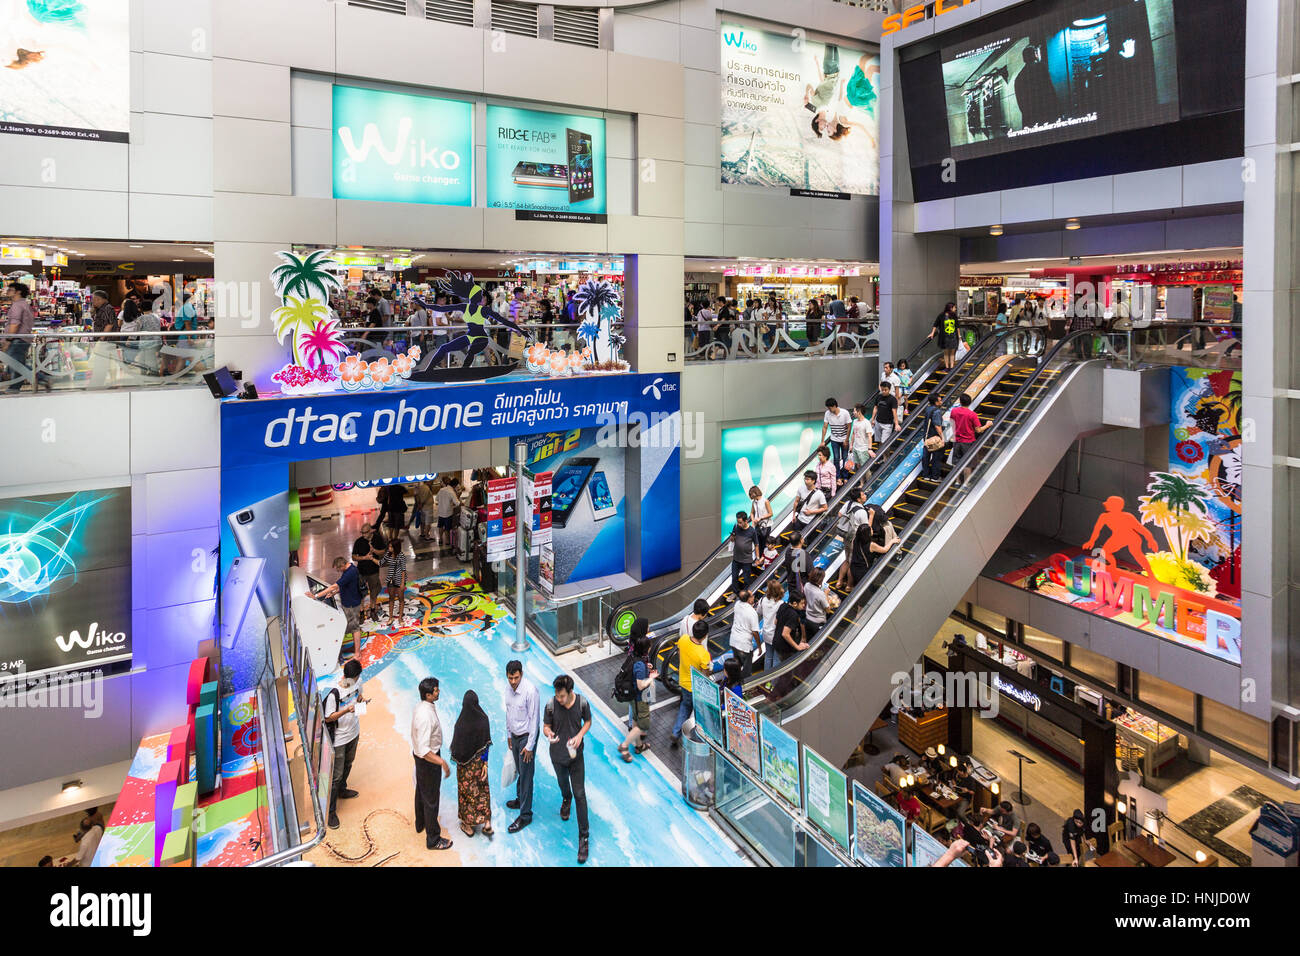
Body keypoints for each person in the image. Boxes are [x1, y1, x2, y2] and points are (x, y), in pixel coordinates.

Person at [543, 674, 593, 863]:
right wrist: (549, 734)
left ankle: (584, 837)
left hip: (576, 758)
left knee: (580, 794)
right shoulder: (550, 705)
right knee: (564, 786)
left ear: (570, 692)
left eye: (562, 696)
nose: (559, 699)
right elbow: (546, 726)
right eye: (557, 695)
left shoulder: (582, 703)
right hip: (557, 756)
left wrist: (580, 735)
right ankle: (566, 798)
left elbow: (587, 722)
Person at [322, 659, 365, 829]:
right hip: (339, 738)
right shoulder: (335, 693)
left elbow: (359, 695)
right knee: (336, 774)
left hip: (353, 731)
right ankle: (331, 811)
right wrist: (347, 710)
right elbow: (328, 717)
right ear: (348, 676)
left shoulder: (358, 682)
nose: (356, 680)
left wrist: (361, 700)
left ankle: (342, 789)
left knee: (349, 763)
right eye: (355, 678)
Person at [411, 677, 453, 850]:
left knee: (421, 791)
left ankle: (420, 822)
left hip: (420, 759)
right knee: (431, 800)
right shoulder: (426, 717)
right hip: (428, 760)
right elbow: (424, 750)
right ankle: (433, 839)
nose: (439, 691)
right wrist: (441, 762)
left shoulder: (420, 707)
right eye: (436, 690)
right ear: (428, 695)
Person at [450, 689, 493, 838]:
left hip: (465, 767)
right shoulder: (484, 719)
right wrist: (485, 764)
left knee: (466, 794)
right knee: (482, 791)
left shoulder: (460, 725)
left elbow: (456, 750)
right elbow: (486, 744)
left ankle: (468, 826)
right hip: (480, 765)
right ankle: (486, 822)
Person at [503, 660, 539, 833]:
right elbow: (508, 713)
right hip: (515, 736)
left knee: (526, 775)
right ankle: (520, 799)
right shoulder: (507, 690)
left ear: (521, 674)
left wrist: (530, 746)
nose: (513, 682)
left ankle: (525, 815)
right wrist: (509, 734)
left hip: (526, 737)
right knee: (519, 769)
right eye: (510, 678)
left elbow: (534, 720)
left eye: (516, 678)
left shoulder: (530, 691)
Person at [671, 620, 713, 746]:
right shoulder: (703, 654)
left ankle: (676, 732)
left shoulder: (683, 639)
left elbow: (679, 653)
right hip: (695, 686)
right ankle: (695, 737)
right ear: (705, 636)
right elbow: (705, 674)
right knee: (699, 712)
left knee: (685, 707)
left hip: (683, 681)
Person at [619, 636, 658, 761]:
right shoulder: (640, 665)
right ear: (646, 649)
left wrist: (647, 668)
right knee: (642, 726)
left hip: (633, 698)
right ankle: (624, 746)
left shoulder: (633, 658)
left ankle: (639, 746)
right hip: (639, 699)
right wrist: (652, 677)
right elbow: (641, 685)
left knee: (636, 721)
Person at [3, 282, 46, 391]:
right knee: (17, 364)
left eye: (10, 290)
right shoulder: (25, 305)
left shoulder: (17, 305)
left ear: (18, 292)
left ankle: (42, 378)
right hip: (22, 339)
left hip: (17, 339)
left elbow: (15, 324)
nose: (8, 292)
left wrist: (8, 339)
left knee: (16, 364)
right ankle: (15, 387)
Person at [318, 556, 364, 652]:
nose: (338, 571)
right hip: (350, 601)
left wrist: (316, 596)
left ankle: (357, 653)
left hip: (352, 604)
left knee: (355, 628)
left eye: (338, 569)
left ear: (342, 565)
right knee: (352, 626)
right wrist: (335, 592)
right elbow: (345, 585)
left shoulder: (349, 573)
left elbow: (333, 586)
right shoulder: (349, 569)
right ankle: (355, 647)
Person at [1013, 43, 1059, 129]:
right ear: (1035, 55)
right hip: (1047, 113)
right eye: (1035, 52)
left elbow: (1021, 103)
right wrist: (1058, 111)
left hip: (1030, 119)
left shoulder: (1019, 78)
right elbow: (1050, 90)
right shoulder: (1041, 67)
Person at [949, 392, 992, 482]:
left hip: (957, 440)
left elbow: (952, 423)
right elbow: (978, 430)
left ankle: (957, 481)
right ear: (970, 402)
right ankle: (966, 482)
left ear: (960, 402)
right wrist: (987, 425)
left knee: (956, 463)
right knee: (968, 463)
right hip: (968, 442)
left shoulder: (954, 411)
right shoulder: (972, 415)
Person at [352, 523, 384, 624]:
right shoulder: (359, 541)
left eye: (365, 533)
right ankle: (361, 612)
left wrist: (374, 550)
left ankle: (373, 609)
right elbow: (354, 557)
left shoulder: (378, 539)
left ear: (370, 531)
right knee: (361, 593)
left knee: (374, 591)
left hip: (373, 571)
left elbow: (383, 551)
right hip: (361, 571)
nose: (363, 535)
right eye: (362, 533)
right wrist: (364, 558)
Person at [770, 591, 808, 669]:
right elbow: (785, 634)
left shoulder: (783, 605)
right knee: (787, 669)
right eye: (802, 603)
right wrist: (798, 647)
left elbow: (775, 622)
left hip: (776, 641)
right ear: (794, 603)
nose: (804, 606)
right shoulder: (793, 615)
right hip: (785, 647)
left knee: (778, 665)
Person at [729, 588, 761, 678]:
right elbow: (755, 632)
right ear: (748, 599)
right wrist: (759, 647)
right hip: (744, 646)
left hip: (734, 641)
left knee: (736, 668)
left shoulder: (737, 604)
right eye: (752, 596)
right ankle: (746, 687)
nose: (754, 597)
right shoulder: (752, 613)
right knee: (746, 671)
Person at [920, 390, 948, 481]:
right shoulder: (937, 411)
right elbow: (937, 426)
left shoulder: (928, 409)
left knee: (926, 457)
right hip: (935, 438)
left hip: (927, 437)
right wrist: (942, 438)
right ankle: (935, 476)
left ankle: (926, 475)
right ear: (936, 402)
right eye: (940, 400)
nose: (941, 402)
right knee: (936, 457)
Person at [757, 579, 784, 670]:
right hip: (776, 634)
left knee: (768, 657)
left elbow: (759, 611)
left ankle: (766, 681)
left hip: (766, 633)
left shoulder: (763, 600)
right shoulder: (781, 604)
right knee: (776, 659)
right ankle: (774, 682)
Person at [870, 380, 901, 451]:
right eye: (882, 389)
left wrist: (896, 424)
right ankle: (882, 458)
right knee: (879, 441)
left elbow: (894, 412)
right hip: (878, 422)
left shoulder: (892, 399)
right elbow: (875, 408)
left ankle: (886, 459)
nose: (883, 391)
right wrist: (872, 419)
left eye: (885, 390)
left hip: (887, 424)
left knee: (885, 443)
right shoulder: (878, 397)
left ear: (889, 390)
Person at [381, 539, 407, 626]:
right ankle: (390, 617)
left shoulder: (401, 556)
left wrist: (402, 583)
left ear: (396, 547)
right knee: (391, 598)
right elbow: (380, 563)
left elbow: (403, 570)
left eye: (391, 546)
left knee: (401, 599)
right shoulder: (388, 555)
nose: (389, 548)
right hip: (391, 579)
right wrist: (371, 557)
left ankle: (400, 618)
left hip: (399, 580)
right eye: (389, 546)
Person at [822, 398, 852, 469]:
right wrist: (822, 441)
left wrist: (847, 440)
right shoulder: (827, 413)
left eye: (830, 408)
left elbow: (849, 427)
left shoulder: (845, 413)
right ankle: (837, 477)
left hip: (844, 439)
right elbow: (825, 427)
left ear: (835, 406)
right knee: (836, 458)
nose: (829, 410)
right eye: (828, 408)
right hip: (834, 440)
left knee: (845, 458)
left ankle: (845, 477)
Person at [803, 567, 832, 641]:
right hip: (818, 622)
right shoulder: (820, 594)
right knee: (819, 640)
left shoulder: (806, 585)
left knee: (810, 640)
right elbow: (828, 610)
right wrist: (826, 594)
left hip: (808, 618)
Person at [730, 511, 756, 593]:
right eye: (738, 522)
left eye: (740, 522)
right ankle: (736, 592)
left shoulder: (752, 531)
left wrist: (758, 558)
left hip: (746, 560)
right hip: (736, 558)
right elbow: (732, 539)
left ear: (746, 521)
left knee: (746, 579)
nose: (739, 524)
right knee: (734, 577)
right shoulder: (736, 527)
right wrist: (732, 537)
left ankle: (745, 594)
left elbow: (757, 544)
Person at [930, 301, 960, 371]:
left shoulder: (954, 316)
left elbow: (957, 326)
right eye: (954, 307)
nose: (955, 309)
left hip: (953, 337)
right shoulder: (941, 315)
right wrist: (932, 333)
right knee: (946, 353)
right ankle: (947, 367)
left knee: (952, 353)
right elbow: (935, 324)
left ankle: (952, 367)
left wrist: (959, 336)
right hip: (944, 338)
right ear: (950, 308)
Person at [748, 485, 773, 554]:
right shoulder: (754, 502)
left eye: (751, 494)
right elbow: (752, 513)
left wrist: (761, 518)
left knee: (764, 544)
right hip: (757, 526)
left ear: (755, 493)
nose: (751, 496)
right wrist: (753, 520)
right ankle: (758, 558)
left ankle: (764, 558)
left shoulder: (765, 501)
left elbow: (771, 513)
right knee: (757, 543)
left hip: (766, 526)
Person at [411, 474, 435, 542]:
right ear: (428, 481)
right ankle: (427, 536)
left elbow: (416, 496)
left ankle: (422, 533)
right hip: (427, 507)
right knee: (428, 522)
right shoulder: (426, 488)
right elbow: (424, 499)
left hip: (423, 508)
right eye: (431, 481)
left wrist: (418, 504)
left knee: (422, 521)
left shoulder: (420, 487)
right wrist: (420, 504)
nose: (432, 483)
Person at [785, 531, 808, 596]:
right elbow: (807, 572)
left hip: (791, 584)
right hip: (801, 587)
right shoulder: (802, 554)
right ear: (800, 540)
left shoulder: (788, 551)